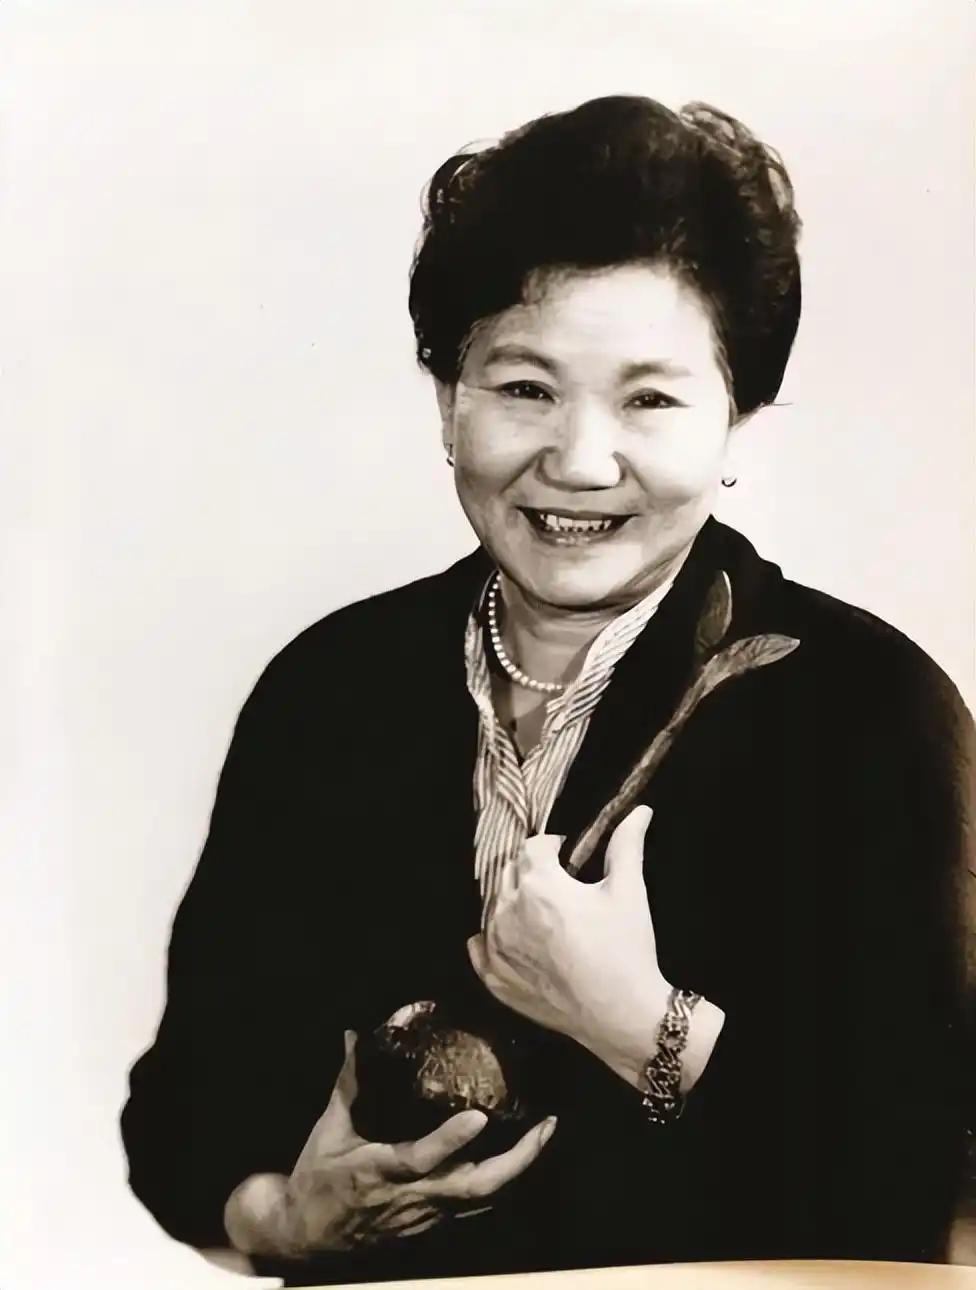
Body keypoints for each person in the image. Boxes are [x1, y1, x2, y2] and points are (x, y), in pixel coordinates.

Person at [120, 95, 975, 1285]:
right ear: (448, 401)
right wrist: (287, 1219)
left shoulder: (866, 708)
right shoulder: (329, 689)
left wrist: (642, 1025)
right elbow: (182, 1122)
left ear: (736, 422)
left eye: (649, 399)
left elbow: (933, 1164)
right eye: (523, 388)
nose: (577, 461)